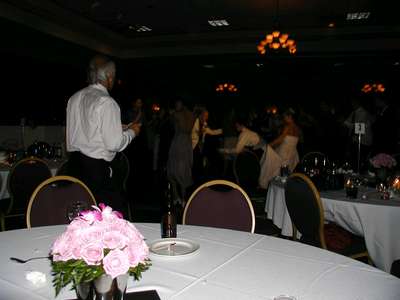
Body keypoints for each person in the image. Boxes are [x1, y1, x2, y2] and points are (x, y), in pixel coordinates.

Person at [66, 55, 141, 211]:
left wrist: (117, 127)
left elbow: (86, 129)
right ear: (109, 76)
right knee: (109, 219)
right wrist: (132, 132)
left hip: (74, 167)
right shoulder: (107, 102)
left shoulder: (74, 98)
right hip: (97, 171)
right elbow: (114, 144)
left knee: (81, 216)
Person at [259, 108, 300, 189]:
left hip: (284, 151)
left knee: (276, 169)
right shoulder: (297, 128)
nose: (284, 118)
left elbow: (281, 139)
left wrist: (270, 144)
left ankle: (275, 188)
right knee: (286, 172)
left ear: (289, 117)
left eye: (285, 117)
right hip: (292, 153)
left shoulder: (288, 126)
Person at [167, 99, 194, 207]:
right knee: (172, 171)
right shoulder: (177, 114)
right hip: (176, 144)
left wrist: (176, 117)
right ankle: (176, 197)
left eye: (179, 103)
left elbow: (186, 129)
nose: (177, 105)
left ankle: (183, 198)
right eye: (176, 103)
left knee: (182, 172)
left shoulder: (188, 115)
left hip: (183, 144)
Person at [191, 109, 223, 184]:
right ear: (201, 115)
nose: (207, 117)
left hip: (200, 146)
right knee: (195, 163)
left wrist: (222, 130)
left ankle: (198, 180)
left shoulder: (204, 123)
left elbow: (211, 132)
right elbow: (194, 132)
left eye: (207, 116)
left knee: (199, 163)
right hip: (193, 145)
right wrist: (202, 130)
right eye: (205, 115)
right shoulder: (195, 121)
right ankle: (194, 180)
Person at [343, 96, 374, 171]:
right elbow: (347, 123)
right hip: (355, 140)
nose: (352, 104)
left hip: (363, 141)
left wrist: (348, 124)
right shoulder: (354, 112)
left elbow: (359, 127)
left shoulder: (363, 113)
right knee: (354, 160)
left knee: (359, 161)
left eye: (353, 102)